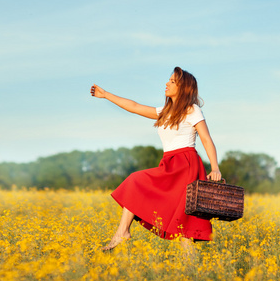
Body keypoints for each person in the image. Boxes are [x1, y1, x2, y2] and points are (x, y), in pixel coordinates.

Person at [90, 66, 222, 251]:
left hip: (186, 165)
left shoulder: (192, 110)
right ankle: (123, 232)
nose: (167, 83)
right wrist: (106, 95)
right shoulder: (165, 111)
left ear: (183, 87)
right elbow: (134, 107)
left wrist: (215, 168)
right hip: (169, 163)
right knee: (137, 184)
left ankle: (124, 233)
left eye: (172, 81)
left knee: (185, 220)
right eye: (168, 80)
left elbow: (207, 140)